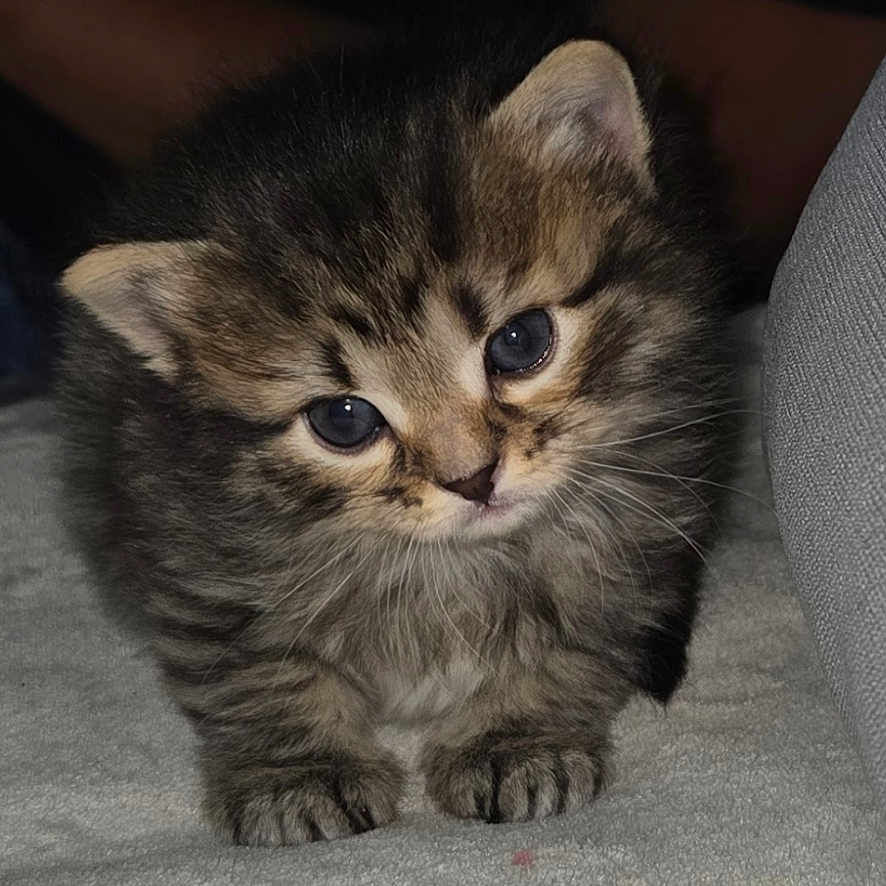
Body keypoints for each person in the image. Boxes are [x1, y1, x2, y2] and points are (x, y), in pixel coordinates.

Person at [0, 0, 884, 807]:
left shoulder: (637, 459)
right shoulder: (238, 541)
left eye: (517, 347)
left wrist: (537, 717)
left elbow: (629, 586)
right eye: (345, 419)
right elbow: (213, 615)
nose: (467, 465)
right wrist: (283, 754)